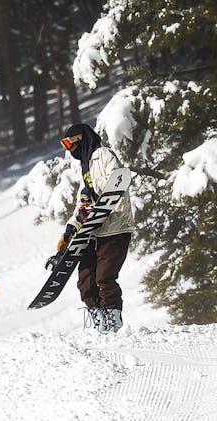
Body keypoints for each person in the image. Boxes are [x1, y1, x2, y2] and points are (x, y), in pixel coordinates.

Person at [47, 122, 134, 332]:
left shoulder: (103, 155)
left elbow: (118, 181)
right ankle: (99, 317)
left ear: (80, 139)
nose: (69, 149)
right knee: (85, 281)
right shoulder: (84, 167)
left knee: (104, 277)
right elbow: (81, 203)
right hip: (94, 232)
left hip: (115, 227)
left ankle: (113, 318)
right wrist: (69, 231)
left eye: (70, 143)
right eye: (65, 146)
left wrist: (96, 197)